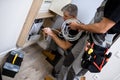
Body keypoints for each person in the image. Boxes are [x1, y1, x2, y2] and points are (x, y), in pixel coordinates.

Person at [65, 0, 120, 79]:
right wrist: (85, 27)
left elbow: (102, 28)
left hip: (97, 45)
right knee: (68, 59)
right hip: (89, 36)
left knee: (73, 72)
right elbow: (99, 21)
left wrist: (78, 26)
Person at [42, 4, 83, 80]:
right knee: (56, 70)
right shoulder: (70, 22)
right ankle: (52, 55)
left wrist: (51, 34)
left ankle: (55, 75)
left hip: (73, 53)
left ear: (73, 17)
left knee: (60, 71)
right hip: (69, 49)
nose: (63, 18)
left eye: (66, 16)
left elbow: (65, 46)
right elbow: (60, 30)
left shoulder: (74, 29)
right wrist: (51, 30)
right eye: (63, 15)